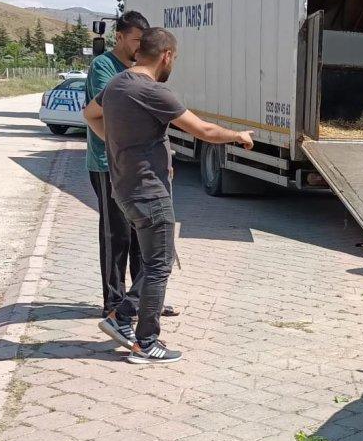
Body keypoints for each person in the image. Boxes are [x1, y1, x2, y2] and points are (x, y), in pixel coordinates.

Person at [83, 28, 254, 364]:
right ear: (166, 55)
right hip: (149, 191)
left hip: (125, 188)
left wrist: (116, 146)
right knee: (159, 265)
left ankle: (120, 317)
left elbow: (90, 115)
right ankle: (146, 343)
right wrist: (238, 135)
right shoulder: (154, 91)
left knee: (155, 260)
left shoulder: (116, 84)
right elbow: (203, 130)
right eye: (173, 57)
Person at [86, 11, 148, 319]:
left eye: (143, 41)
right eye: (135, 40)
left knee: (140, 232)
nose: (139, 46)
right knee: (116, 234)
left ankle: (139, 299)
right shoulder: (103, 66)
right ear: (119, 36)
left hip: (135, 163)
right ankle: (113, 302)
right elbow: (110, 110)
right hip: (106, 163)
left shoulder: (139, 69)